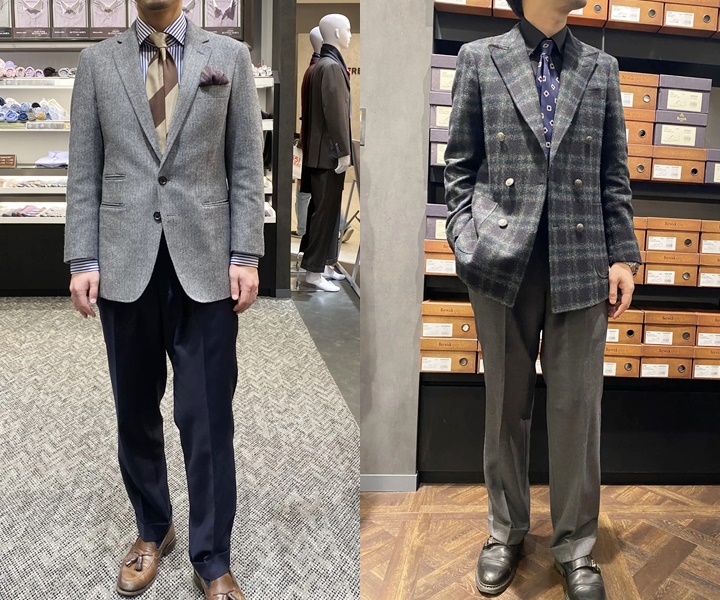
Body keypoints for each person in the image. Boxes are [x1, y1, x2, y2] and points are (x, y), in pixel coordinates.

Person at [64, 0, 264, 598]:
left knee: (207, 416)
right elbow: (84, 169)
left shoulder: (229, 57)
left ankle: (212, 555)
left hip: (205, 264)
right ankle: (153, 528)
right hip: (125, 263)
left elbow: (245, 164)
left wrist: (246, 253)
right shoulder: (96, 63)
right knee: (134, 410)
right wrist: (83, 258)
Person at [444, 0, 641, 598]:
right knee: (505, 405)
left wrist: (623, 255)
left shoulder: (600, 68)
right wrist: (466, 242)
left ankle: (576, 547)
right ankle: (505, 532)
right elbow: (459, 166)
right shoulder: (480, 59)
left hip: (581, 260)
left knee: (579, 411)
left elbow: (613, 173)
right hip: (502, 262)